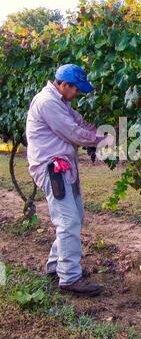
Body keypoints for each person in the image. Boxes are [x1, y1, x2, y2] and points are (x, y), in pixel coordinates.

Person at [26, 64, 105, 296]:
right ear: (64, 85)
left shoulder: (61, 102)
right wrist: (101, 140)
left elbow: (79, 123)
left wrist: (106, 132)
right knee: (68, 220)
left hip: (63, 167)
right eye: (76, 89)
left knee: (75, 217)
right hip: (53, 169)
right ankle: (70, 278)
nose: (77, 94)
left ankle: (55, 266)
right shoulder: (48, 103)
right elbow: (73, 132)